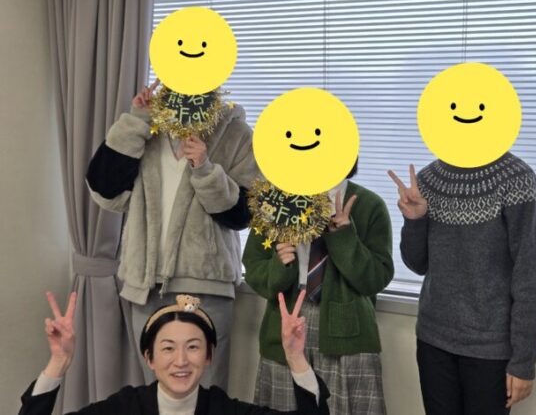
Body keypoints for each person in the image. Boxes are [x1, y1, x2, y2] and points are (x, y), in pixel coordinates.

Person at [86, 81, 258, 388]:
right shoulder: (148, 125)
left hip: (207, 287)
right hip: (145, 286)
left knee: (207, 395)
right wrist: (137, 120)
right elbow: (104, 186)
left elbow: (242, 215)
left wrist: (204, 168)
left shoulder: (236, 134)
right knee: (153, 394)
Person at [388, 155, 536, 415]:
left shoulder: (518, 179)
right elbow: (417, 263)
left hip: (491, 349)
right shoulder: (428, 179)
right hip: (433, 341)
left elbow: (531, 278)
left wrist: (523, 362)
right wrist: (415, 219)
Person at [19, 290, 330, 414]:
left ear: (208, 356)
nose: (181, 361)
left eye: (193, 347)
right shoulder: (125, 407)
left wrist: (295, 357)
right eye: (168, 348)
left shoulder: (223, 409)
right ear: (149, 358)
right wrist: (59, 361)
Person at [243, 164, 394, 415]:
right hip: (286, 324)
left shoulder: (369, 205)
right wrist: (280, 266)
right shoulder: (276, 202)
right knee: (282, 407)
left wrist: (344, 237)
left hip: (348, 332)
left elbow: (376, 279)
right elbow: (254, 268)